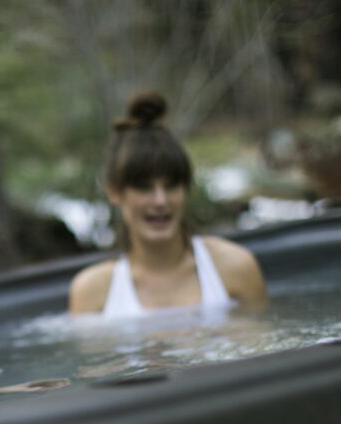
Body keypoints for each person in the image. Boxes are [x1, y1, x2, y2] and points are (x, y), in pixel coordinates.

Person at [69, 92, 267, 317]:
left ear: (186, 189)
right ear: (115, 192)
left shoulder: (235, 268)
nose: (161, 201)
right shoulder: (92, 292)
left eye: (172, 185)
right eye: (144, 187)